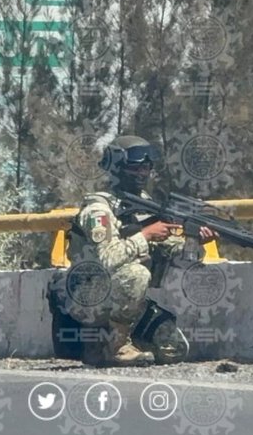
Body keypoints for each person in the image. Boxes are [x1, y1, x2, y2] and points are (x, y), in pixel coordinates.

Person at [61, 135, 216, 366]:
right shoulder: (98, 209)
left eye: (147, 166)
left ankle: (106, 345)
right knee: (136, 273)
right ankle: (116, 347)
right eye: (135, 166)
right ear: (117, 168)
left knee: (174, 350)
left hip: (126, 302)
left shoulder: (143, 204)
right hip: (89, 298)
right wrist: (145, 235)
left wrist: (194, 241)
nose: (143, 172)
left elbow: (180, 259)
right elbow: (106, 258)